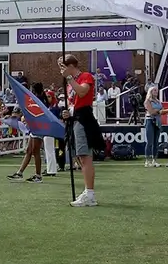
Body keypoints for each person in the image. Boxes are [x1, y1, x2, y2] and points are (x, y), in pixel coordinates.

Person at [60, 54, 105, 207]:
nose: (61, 70)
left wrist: (69, 78)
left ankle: (90, 194)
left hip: (84, 119)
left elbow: (82, 92)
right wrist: (67, 113)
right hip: (74, 119)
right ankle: (88, 191)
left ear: (70, 66)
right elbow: (74, 102)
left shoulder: (85, 76)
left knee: (85, 156)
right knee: (80, 156)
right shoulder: (69, 83)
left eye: (62, 67)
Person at [7, 82, 50, 183]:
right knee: (29, 151)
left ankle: (38, 175)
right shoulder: (40, 99)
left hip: (38, 127)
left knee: (35, 151)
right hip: (36, 126)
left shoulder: (38, 100)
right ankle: (20, 172)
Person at [143, 86, 163, 167]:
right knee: (150, 142)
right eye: (154, 90)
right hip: (150, 121)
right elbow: (151, 112)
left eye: (156, 90)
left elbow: (162, 110)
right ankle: (147, 160)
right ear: (150, 92)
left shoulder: (158, 101)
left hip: (157, 121)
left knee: (156, 142)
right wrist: (159, 111)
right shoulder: (147, 101)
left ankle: (154, 160)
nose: (156, 92)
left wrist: (158, 111)